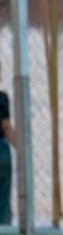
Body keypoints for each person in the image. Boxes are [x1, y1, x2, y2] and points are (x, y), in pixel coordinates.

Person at [0, 60, 16, 226]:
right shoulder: (2, 98)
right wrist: (21, 148)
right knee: (3, 196)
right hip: (1, 150)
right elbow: (6, 127)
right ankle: (4, 229)